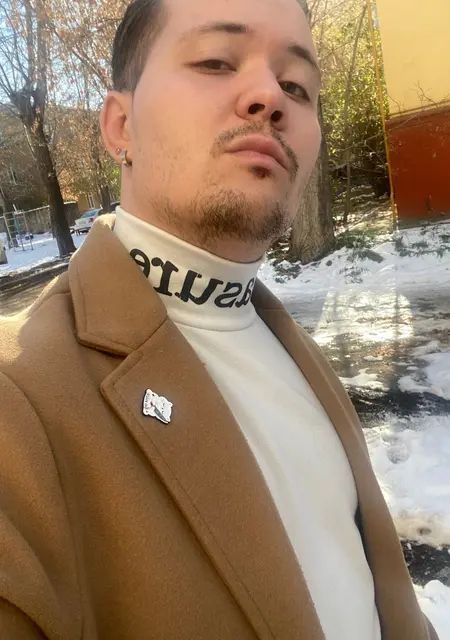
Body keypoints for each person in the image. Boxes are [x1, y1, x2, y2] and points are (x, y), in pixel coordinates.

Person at [0, 0, 438, 638]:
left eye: (297, 86)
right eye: (214, 61)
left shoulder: (293, 349)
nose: (271, 97)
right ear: (121, 126)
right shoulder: (17, 406)